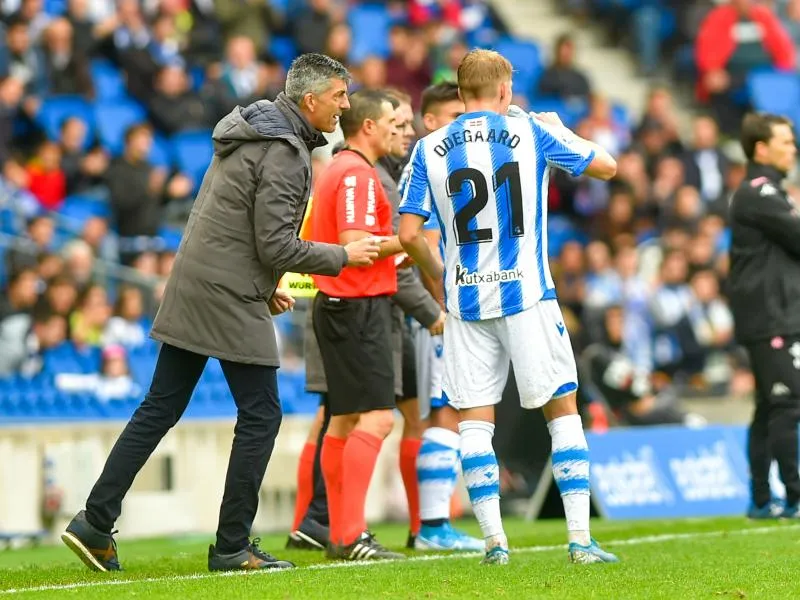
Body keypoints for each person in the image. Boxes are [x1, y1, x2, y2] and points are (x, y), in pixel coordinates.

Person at [60, 53, 382, 574]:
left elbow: (239, 228)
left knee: (159, 407)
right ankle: (232, 546)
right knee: (262, 415)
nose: (345, 105)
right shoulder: (284, 150)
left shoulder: (254, 130)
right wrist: (343, 256)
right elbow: (276, 244)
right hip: (224, 295)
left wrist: (266, 286)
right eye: (340, 96)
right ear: (311, 100)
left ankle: (95, 522)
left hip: (198, 283)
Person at [398, 49, 619, 565]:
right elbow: (606, 167)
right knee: (562, 410)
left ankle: (495, 543)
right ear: (503, 89)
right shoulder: (530, 130)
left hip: (467, 299)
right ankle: (580, 541)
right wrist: (562, 127)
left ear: (461, 89)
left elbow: (408, 233)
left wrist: (443, 276)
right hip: (528, 294)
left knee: (474, 421)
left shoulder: (429, 147)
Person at [308, 89, 406, 561]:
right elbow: (355, 242)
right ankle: (350, 534)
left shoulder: (337, 170)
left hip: (339, 304)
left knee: (343, 419)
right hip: (358, 306)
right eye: (391, 121)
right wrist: (403, 241)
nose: (396, 128)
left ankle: (340, 535)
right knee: (379, 417)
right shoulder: (357, 174)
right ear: (368, 126)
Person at [401, 81, 483, 552]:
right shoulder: (429, 163)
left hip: (440, 306)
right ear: (428, 121)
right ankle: (433, 525)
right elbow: (423, 242)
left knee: (444, 409)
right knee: (444, 409)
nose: (462, 126)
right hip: (437, 310)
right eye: (454, 116)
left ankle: (432, 522)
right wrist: (443, 302)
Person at [728, 112, 800, 519]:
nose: (793, 149)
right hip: (771, 317)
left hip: (771, 315)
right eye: (786, 142)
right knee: (788, 404)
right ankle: (794, 496)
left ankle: (760, 497)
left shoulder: (768, 191)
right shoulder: (760, 192)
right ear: (762, 149)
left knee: (769, 406)